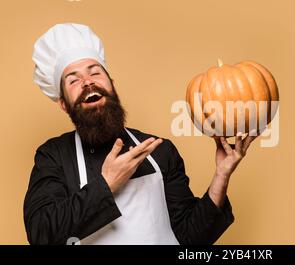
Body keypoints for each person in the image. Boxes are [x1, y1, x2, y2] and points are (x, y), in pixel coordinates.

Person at [24, 23, 257, 245]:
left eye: (95, 73)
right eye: (73, 80)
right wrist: (106, 184)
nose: (87, 82)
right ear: (64, 104)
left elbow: (189, 238)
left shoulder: (158, 149)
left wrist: (221, 176)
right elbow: (42, 234)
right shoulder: (54, 156)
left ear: (112, 85)